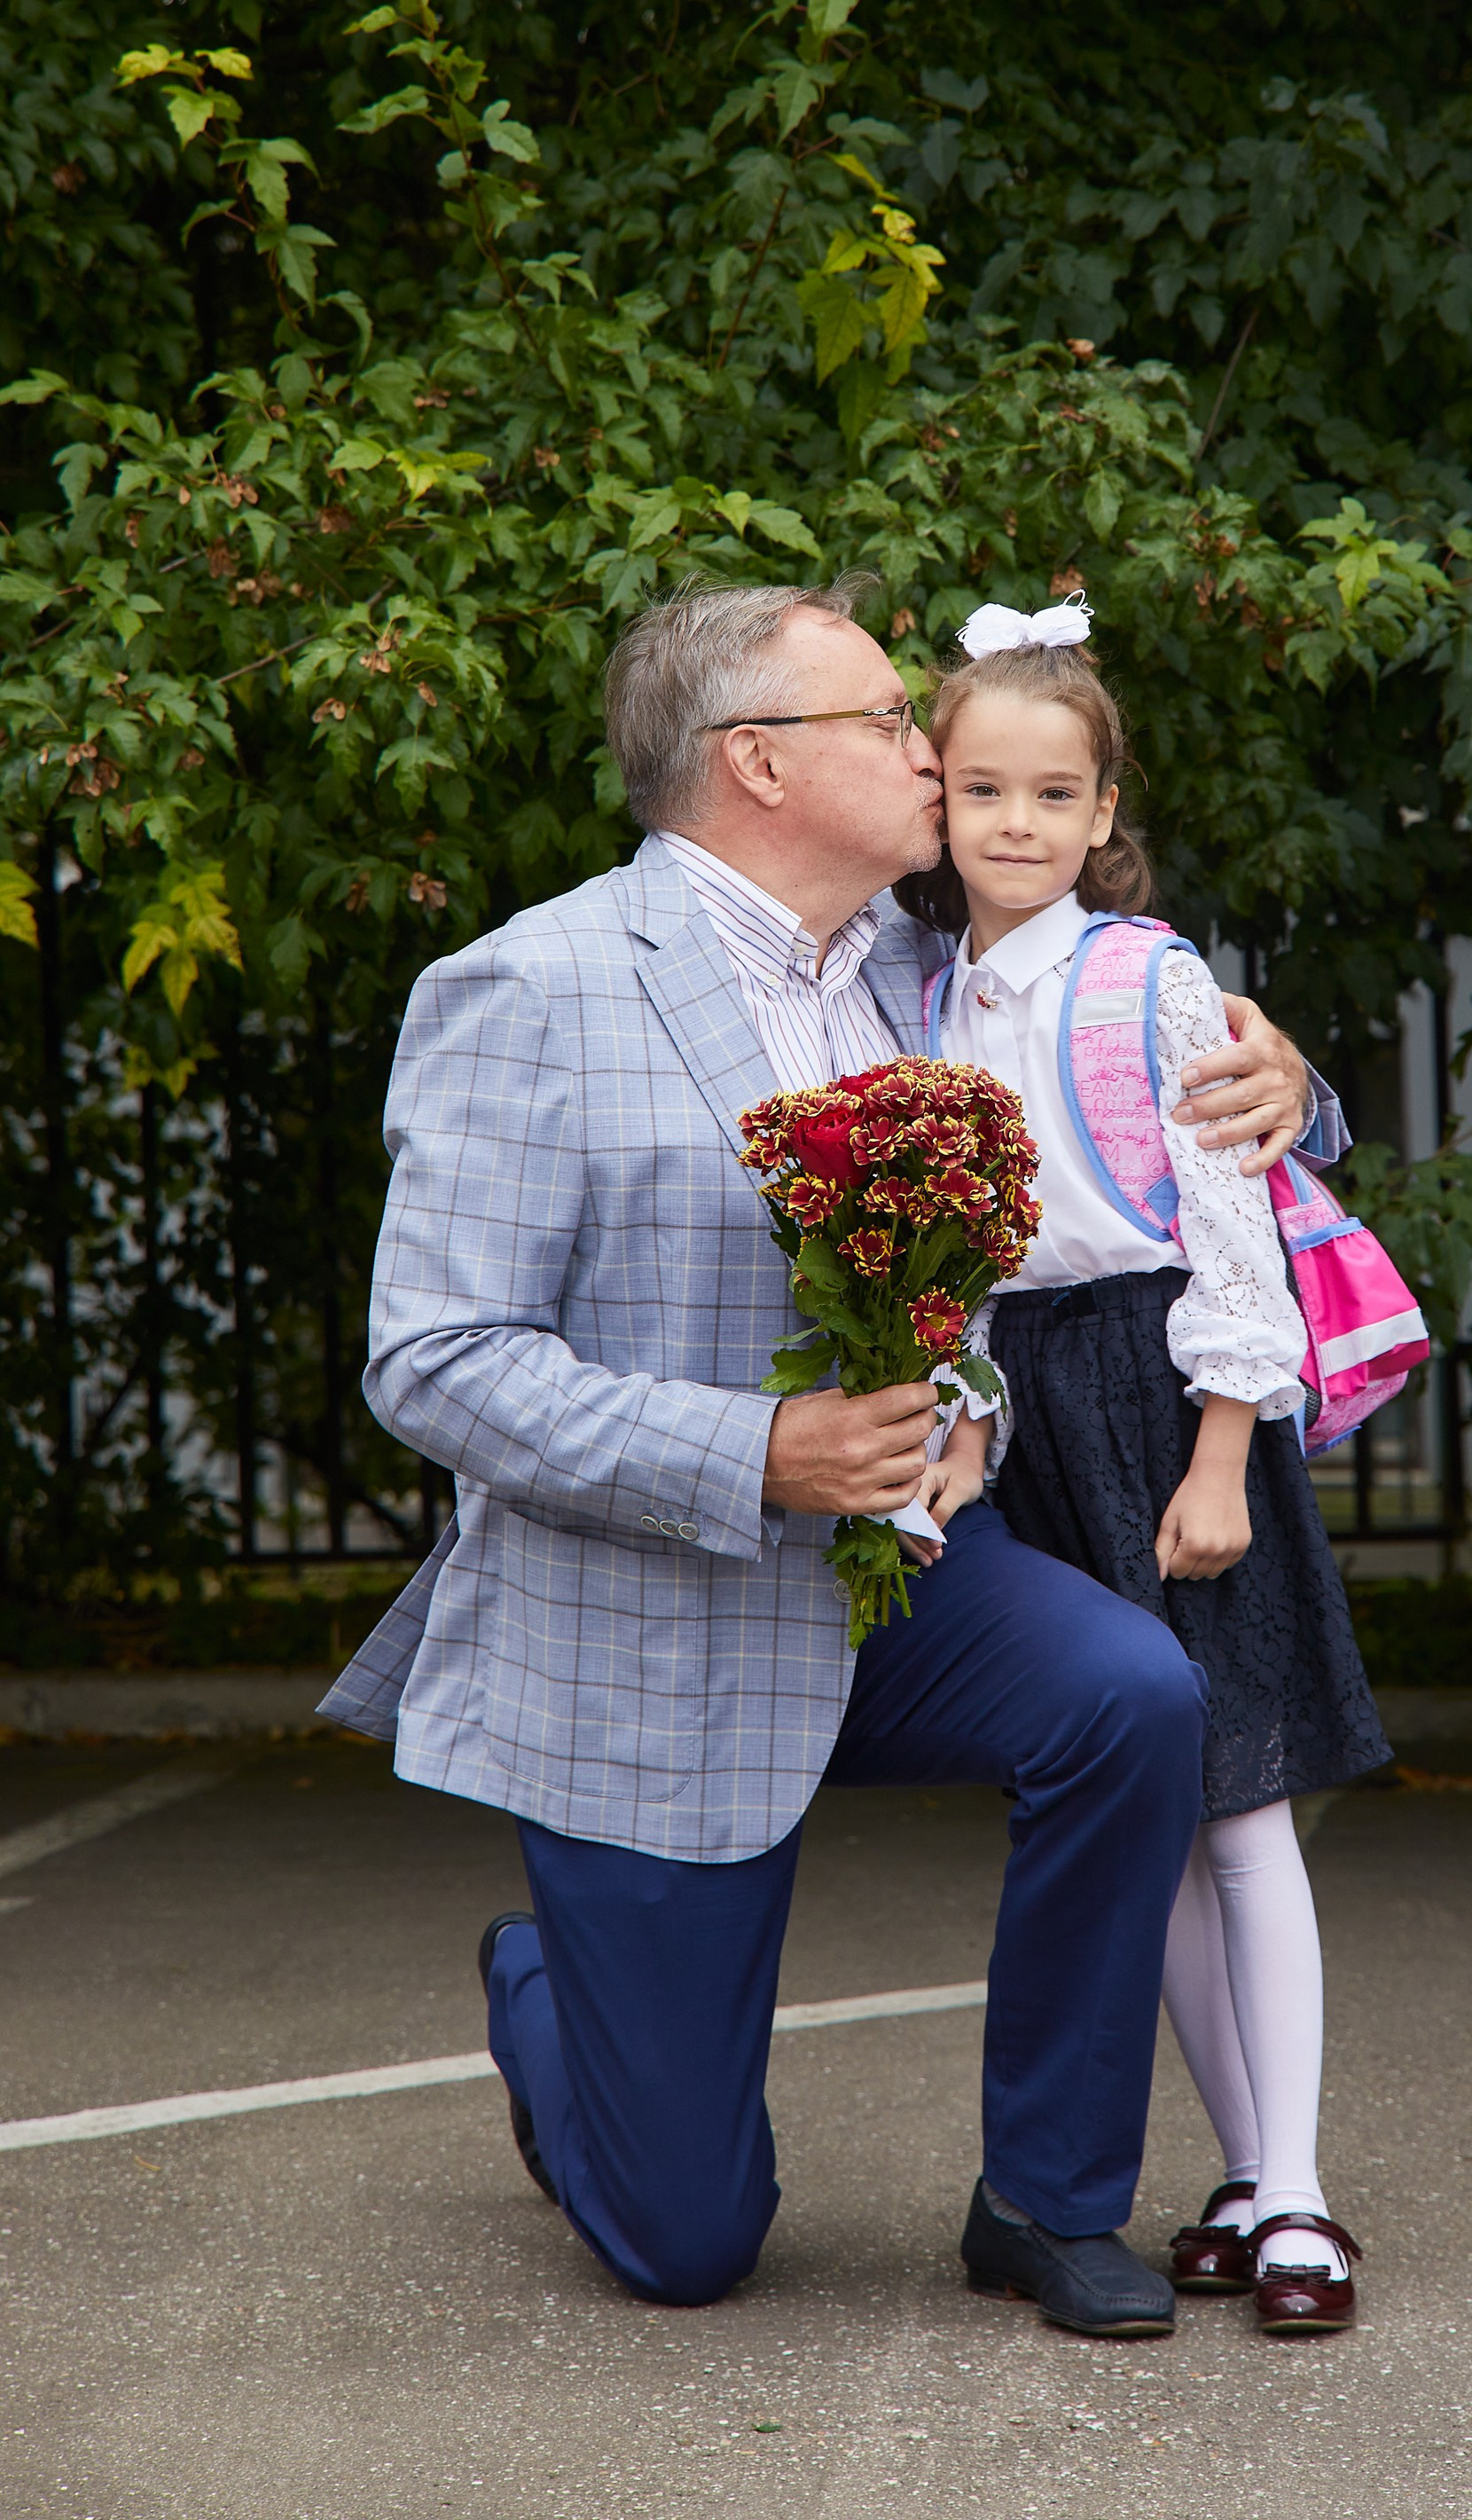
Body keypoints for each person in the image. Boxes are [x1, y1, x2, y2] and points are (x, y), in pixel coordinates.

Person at [318, 574, 1334, 2337]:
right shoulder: (528, 986)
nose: (932, 753)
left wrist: (1286, 1089)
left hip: (900, 1589)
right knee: (690, 2246)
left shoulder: (924, 967)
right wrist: (760, 1451)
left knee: (1131, 1699)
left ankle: (1048, 2198)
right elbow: (434, 1361)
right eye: (888, 722)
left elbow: (1106, 1151)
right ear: (759, 764)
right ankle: (553, 1990)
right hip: (657, 1636)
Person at [900, 597, 1390, 2336]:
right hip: (1033, 1408)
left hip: (1169, 1382)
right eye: (983, 792)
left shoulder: (1152, 977)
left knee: (1243, 1808)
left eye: (1054, 794)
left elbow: (1231, 1221)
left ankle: (1302, 2191)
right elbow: (953, 1245)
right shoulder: (930, 984)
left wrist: (1221, 1457)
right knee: (1151, 1817)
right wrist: (961, 1418)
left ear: (1106, 812)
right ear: (934, 799)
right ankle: (1241, 2169)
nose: (1017, 824)